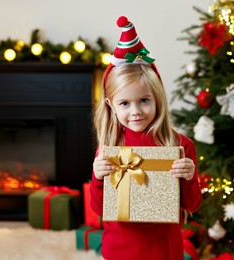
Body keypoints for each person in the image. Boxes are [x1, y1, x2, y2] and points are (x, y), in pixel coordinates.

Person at [90, 16, 202, 260]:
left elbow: (192, 206)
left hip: (163, 250)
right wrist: (98, 178)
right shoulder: (109, 147)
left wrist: (189, 176)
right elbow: (100, 210)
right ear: (111, 105)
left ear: (157, 98)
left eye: (144, 100)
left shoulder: (180, 146)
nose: (136, 111)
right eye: (125, 103)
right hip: (120, 249)